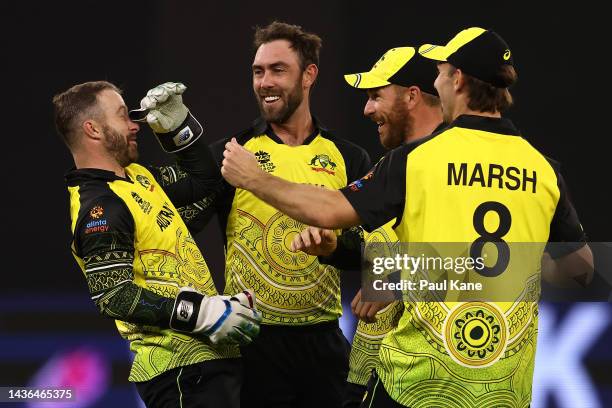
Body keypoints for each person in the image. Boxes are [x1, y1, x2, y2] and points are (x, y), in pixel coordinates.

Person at [220, 27, 593, 407]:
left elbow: (329, 209)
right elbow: (581, 270)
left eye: (440, 72)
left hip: (416, 385)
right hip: (502, 391)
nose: (436, 81)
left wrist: (256, 178)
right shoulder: (544, 169)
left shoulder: (419, 160)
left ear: (457, 79)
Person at [179, 21, 371, 408]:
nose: (265, 82)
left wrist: (334, 246)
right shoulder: (231, 155)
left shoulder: (349, 157)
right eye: (258, 71)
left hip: (325, 344)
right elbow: (181, 226)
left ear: (309, 75)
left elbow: (369, 250)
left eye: (278, 70)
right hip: (250, 346)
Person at [54, 81, 261, 408]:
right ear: (93, 129)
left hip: (205, 364)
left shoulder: (138, 176)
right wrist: (204, 314)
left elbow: (205, 182)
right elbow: (113, 295)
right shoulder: (100, 207)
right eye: (123, 116)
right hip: (177, 372)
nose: (135, 125)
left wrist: (178, 127)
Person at [290, 46, 443, 407]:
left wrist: (398, 284)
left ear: (411, 96)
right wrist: (333, 246)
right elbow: (378, 247)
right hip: (369, 373)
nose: (367, 109)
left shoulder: (452, 167)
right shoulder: (396, 164)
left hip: (426, 381)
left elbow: (491, 262)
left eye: (376, 96)